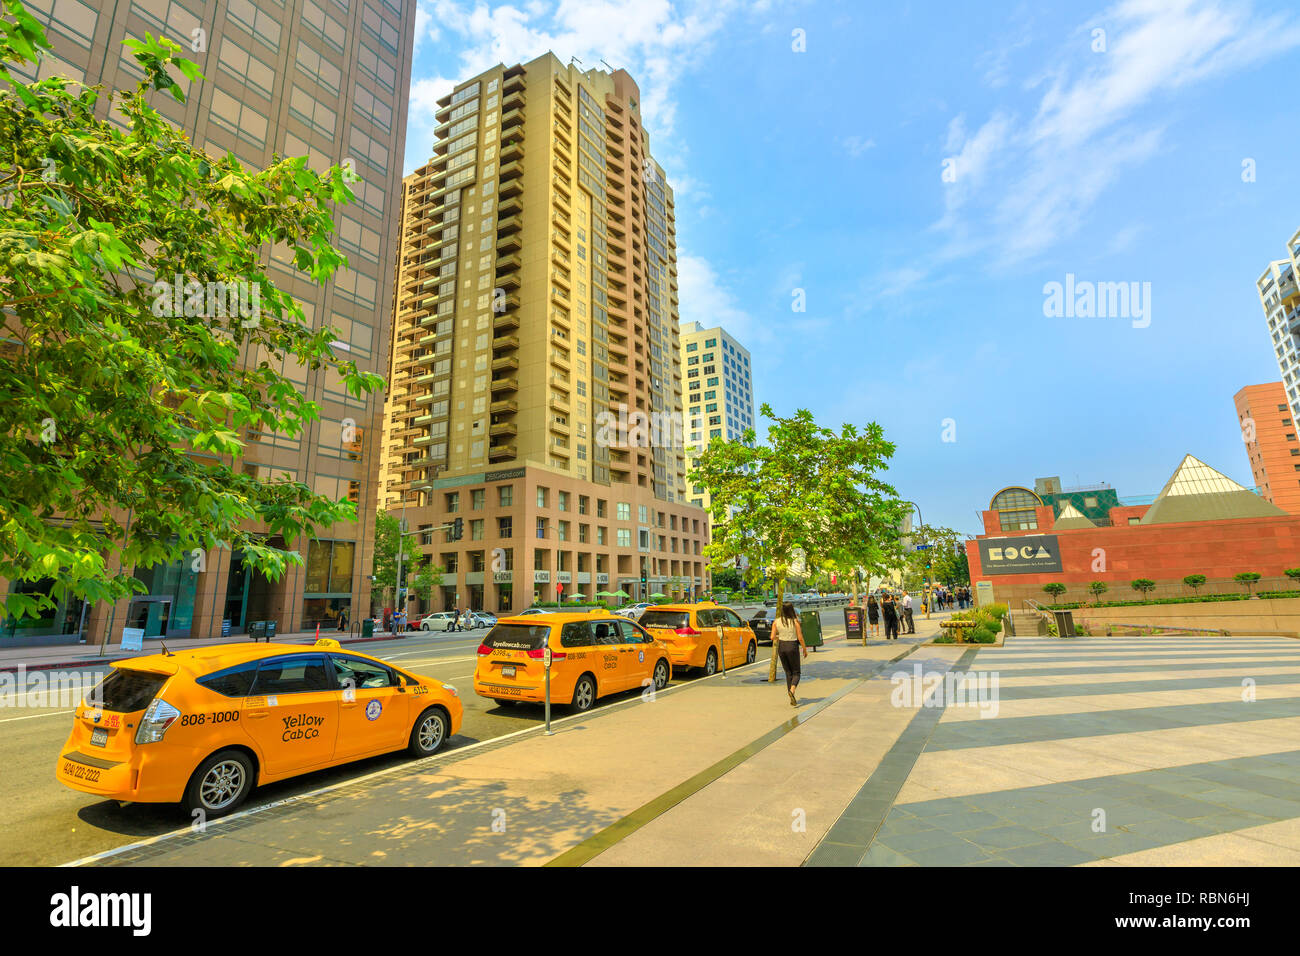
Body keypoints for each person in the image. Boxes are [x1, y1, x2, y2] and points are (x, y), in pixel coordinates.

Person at [771, 602, 807, 706]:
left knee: (788, 672)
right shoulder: (795, 622)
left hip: (781, 647)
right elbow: (800, 637)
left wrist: (780, 636)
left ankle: (790, 695)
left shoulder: (776, 622)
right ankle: (792, 690)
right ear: (792, 610)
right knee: (796, 672)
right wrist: (804, 649)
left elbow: (772, 637)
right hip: (792, 646)